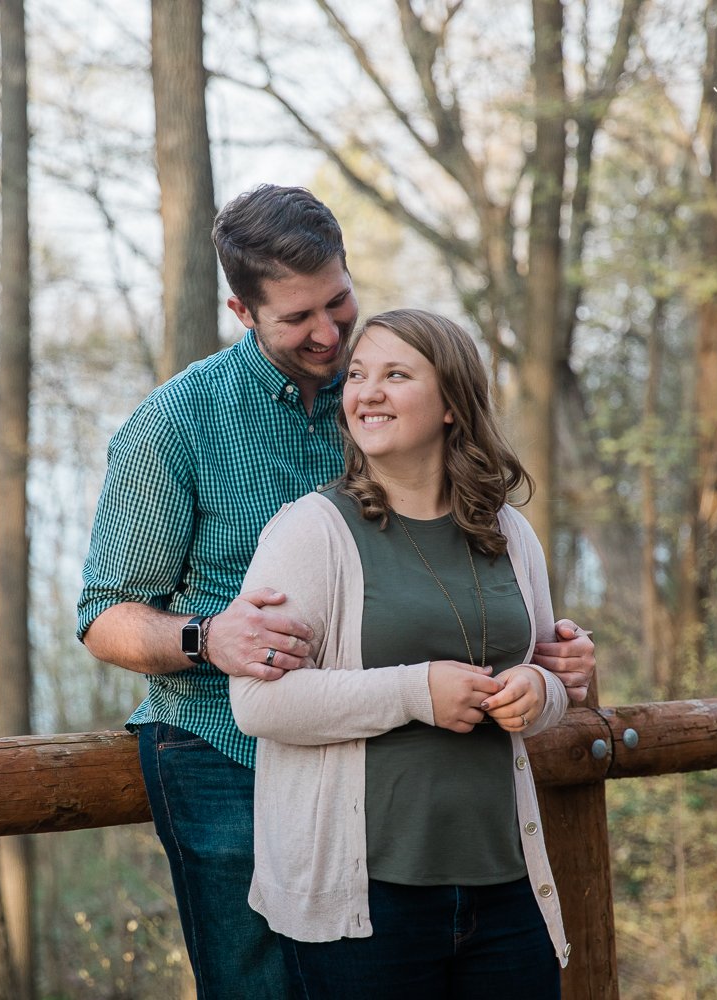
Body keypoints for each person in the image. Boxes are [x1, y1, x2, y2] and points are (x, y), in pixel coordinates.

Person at [77, 185, 593, 999]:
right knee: (260, 987)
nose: (327, 334)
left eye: (338, 302)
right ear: (241, 311)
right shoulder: (174, 424)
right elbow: (104, 614)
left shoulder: (384, 388)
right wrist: (204, 638)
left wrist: (538, 650)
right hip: (221, 745)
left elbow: (453, 565)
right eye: (296, 320)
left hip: (393, 760)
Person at [231, 308, 569, 999]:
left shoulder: (508, 531)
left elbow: (551, 672)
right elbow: (258, 703)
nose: (366, 392)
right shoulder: (311, 532)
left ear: (451, 403)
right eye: (357, 375)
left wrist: (540, 690)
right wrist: (416, 692)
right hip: (368, 905)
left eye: (395, 374)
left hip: (506, 890)